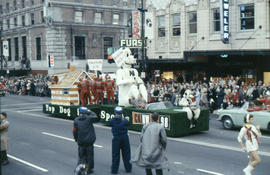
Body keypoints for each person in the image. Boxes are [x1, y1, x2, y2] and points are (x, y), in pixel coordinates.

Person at [73, 107, 98, 174]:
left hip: (81, 141)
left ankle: (80, 168)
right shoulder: (89, 119)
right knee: (89, 156)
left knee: (81, 156)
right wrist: (90, 112)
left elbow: (75, 131)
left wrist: (76, 139)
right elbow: (95, 116)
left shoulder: (76, 120)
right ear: (85, 112)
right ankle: (88, 169)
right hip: (89, 141)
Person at [110, 106, 132, 174]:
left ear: (115, 112)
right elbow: (128, 124)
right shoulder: (125, 120)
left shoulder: (112, 120)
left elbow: (111, 124)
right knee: (126, 154)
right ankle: (128, 168)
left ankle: (114, 170)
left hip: (116, 138)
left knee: (115, 154)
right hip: (124, 137)